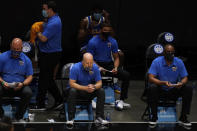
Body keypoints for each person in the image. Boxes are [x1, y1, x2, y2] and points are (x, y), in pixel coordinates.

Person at [87, 23, 130, 111]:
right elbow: (90, 58)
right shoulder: (93, 41)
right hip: (95, 64)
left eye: (108, 31)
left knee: (126, 75)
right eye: (105, 30)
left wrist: (116, 67)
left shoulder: (112, 41)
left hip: (108, 64)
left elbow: (116, 57)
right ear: (100, 30)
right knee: (88, 74)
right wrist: (98, 67)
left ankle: (121, 100)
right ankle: (91, 99)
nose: (107, 32)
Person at [148, 44, 193, 127]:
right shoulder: (157, 61)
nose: (170, 54)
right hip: (161, 89)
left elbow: (185, 77)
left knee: (188, 88)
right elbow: (151, 78)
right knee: (152, 88)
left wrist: (181, 83)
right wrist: (162, 82)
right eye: (168, 52)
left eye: (172, 52)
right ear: (164, 53)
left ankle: (183, 117)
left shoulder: (179, 62)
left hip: (173, 90)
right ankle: (154, 117)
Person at [67, 53, 108, 128]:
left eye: (91, 63)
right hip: (78, 91)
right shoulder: (75, 67)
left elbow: (100, 83)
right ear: (82, 61)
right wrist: (85, 88)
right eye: (87, 63)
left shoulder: (95, 67)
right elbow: (71, 84)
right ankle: (71, 119)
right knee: (72, 91)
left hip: (89, 91)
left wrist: (94, 87)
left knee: (101, 91)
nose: (89, 65)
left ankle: (99, 117)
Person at [36, 0, 63, 110]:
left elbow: (43, 38)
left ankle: (40, 105)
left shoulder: (54, 22)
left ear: (50, 10)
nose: (43, 11)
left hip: (51, 55)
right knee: (48, 79)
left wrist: (36, 31)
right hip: (46, 53)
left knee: (43, 79)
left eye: (44, 9)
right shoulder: (51, 19)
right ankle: (59, 100)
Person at [0, 38, 33, 121]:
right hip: (4, 85)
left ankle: (19, 116)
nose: (15, 51)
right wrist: (3, 82)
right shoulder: (2, 57)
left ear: (21, 49)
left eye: (17, 50)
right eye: (13, 49)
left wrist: (23, 84)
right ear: (11, 47)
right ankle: (1, 115)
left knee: (28, 92)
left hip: (19, 86)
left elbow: (30, 76)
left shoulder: (26, 60)